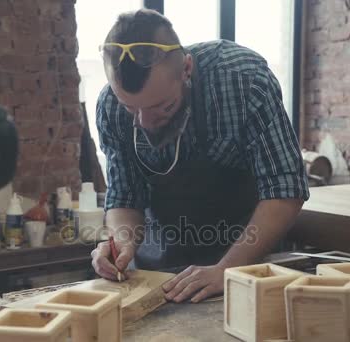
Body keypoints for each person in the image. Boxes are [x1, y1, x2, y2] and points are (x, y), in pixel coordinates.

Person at [90, 9, 309, 303]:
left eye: (161, 107)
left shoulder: (243, 81)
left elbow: (286, 190)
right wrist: (121, 243)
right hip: (166, 265)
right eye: (131, 108)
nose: (144, 122)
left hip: (247, 258)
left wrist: (227, 269)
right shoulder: (110, 105)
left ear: (187, 70)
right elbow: (125, 196)